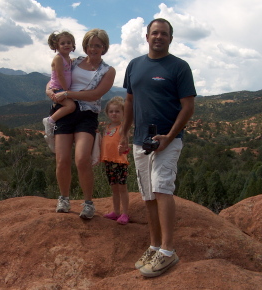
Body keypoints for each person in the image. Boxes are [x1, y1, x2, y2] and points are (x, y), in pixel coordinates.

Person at [119, 18, 196, 277]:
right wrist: (123, 132)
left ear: (171, 38)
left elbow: (188, 107)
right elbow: (129, 101)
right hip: (141, 141)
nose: (159, 37)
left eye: (164, 33)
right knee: (148, 194)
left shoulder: (179, 67)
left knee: (162, 188)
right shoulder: (134, 65)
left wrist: (170, 136)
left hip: (169, 140)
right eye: (155, 33)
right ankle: (153, 245)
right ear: (147, 36)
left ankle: (168, 251)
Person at [46, 28, 116, 219]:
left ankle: (88, 203)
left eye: (98, 45)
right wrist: (49, 90)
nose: (93, 49)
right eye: (90, 45)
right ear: (84, 46)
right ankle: (64, 198)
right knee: (62, 159)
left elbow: (95, 94)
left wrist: (68, 94)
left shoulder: (108, 71)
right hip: (65, 112)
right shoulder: (73, 61)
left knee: (82, 159)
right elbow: (54, 77)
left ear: (104, 47)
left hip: (87, 114)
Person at [43, 31, 77, 153]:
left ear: (73, 45)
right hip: (58, 89)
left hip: (62, 89)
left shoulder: (68, 59)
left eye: (69, 42)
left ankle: (51, 132)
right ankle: (50, 121)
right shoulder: (58, 58)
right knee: (71, 106)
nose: (66, 45)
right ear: (56, 46)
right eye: (62, 43)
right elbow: (60, 75)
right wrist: (66, 91)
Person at [100, 96, 130, 225]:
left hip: (120, 161)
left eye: (117, 111)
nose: (114, 114)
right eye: (111, 111)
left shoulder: (123, 127)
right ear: (107, 113)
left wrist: (124, 147)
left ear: (123, 113)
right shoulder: (106, 128)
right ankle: (116, 211)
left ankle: (125, 213)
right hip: (109, 161)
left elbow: (126, 144)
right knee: (114, 188)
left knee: (122, 187)